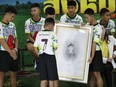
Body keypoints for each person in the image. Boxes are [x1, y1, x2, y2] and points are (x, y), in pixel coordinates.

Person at [33, 18, 58, 87]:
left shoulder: (39, 33)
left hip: (41, 56)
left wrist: (38, 55)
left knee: (43, 78)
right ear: (51, 25)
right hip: (50, 57)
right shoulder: (53, 34)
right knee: (51, 78)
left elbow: (34, 47)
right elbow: (55, 47)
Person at [84, 8, 103, 87]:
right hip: (89, 52)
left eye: (87, 17)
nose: (86, 19)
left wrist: (92, 56)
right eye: (85, 18)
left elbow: (94, 43)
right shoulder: (87, 26)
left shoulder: (98, 28)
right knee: (91, 75)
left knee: (97, 75)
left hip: (96, 53)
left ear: (92, 16)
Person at [0, 6, 19, 87]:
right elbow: (2, 40)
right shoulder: (0, 25)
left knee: (13, 74)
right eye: (12, 16)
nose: (13, 18)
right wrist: (11, 52)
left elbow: (16, 39)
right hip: (3, 53)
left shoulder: (13, 25)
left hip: (13, 52)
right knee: (1, 76)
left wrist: (15, 49)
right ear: (7, 14)